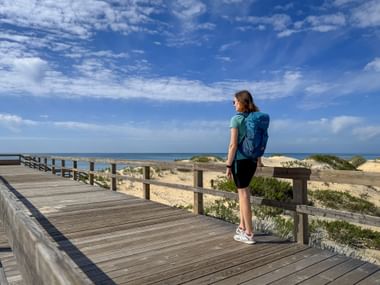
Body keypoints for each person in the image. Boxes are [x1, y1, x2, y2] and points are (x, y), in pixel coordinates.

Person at [226, 90, 263, 244]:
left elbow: (233, 145)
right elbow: (258, 142)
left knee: (243, 196)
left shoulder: (236, 119)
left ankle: (249, 233)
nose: (233, 104)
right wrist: (259, 160)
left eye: (234, 101)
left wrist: (228, 164)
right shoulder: (255, 119)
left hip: (240, 161)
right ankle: (242, 226)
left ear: (241, 102)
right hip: (252, 161)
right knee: (244, 192)